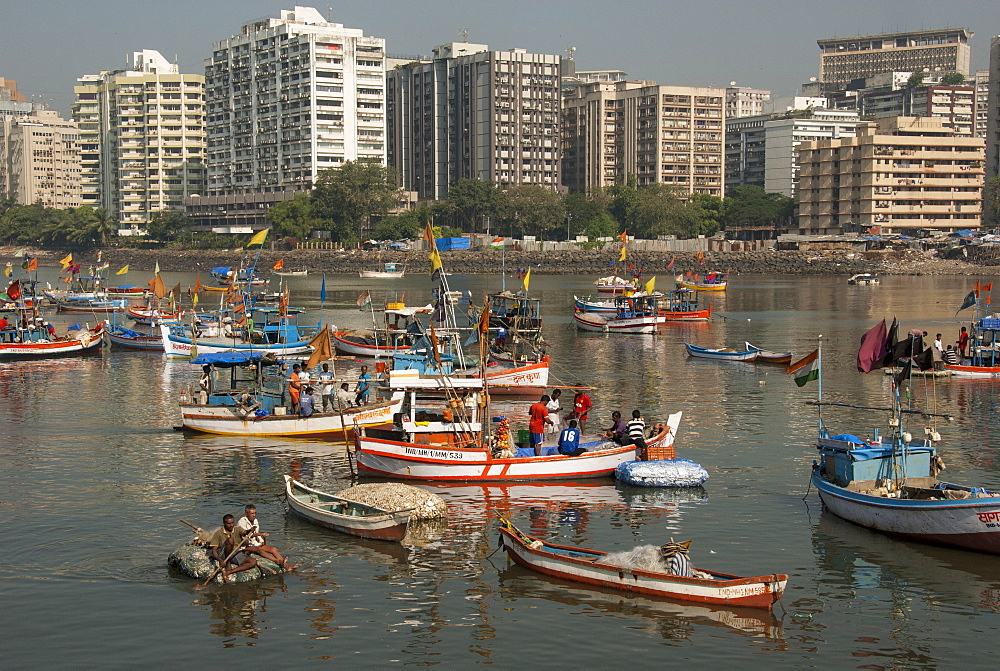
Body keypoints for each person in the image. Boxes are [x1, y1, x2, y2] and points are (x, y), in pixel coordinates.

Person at [236, 504, 298, 570]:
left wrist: (261, 541)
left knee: (273, 549)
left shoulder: (255, 521)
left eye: (255, 513)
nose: (254, 515)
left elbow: (256, 533)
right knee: (259, 549)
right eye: (252, 513)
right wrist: (261, 534)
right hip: (244, 546)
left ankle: (286, 565)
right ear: (246, 514)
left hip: (254, 543)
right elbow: (246, 535)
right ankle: (276, 561)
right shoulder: (241, 522)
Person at [208, 514, 257, 581]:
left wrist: (250, 530)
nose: (231, 525)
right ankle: (228, 563)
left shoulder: (237, 529)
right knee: (230, 540)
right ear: (224, 523)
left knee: (253, 562)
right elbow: (214, 550)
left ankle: (228, 572)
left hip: (235, 553)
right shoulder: (218, 533)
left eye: (232, 523)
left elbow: (245, 532)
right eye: (228, 523)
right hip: (224, 554)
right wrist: (220, 560)